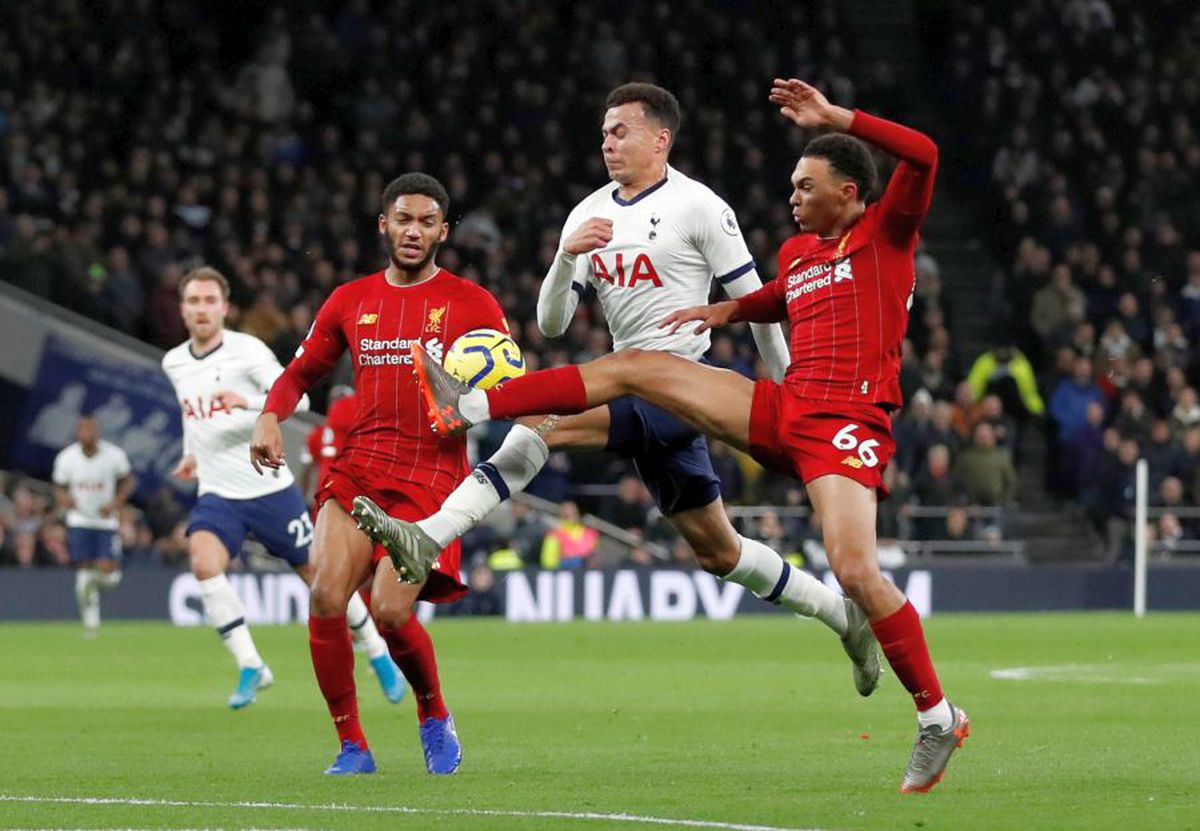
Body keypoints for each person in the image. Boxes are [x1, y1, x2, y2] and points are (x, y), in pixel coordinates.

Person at [408, 79, 969, 793]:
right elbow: (779, 298)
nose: (792, 197)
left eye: (807, 185)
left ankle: (936, 716)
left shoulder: (888, 234)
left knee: (855, 569)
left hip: (847, 425)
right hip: (783, 406)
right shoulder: (799, 254)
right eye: (792, 185)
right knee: (637, 367)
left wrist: (837, 116)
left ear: (852, 191)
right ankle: (474, 402)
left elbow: (924, 154)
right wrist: (723, 312)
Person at [351, 83, 880, 698]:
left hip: (680, 387)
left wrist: (791, 396)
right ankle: (842, 616)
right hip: (627, 382)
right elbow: (550, 324)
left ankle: (430, 533)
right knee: (720, 553)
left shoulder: (701, 207)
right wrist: (562, 256)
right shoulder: (587, 214)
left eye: (620, 131)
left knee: (541, 424)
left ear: (661, 139)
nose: (607, 142)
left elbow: (757, 307)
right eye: (603, 133)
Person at [250, 173, 513, 776]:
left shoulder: (473, 303)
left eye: (426, 222)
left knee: (392, 613)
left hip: (430, 477)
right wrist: (269, 416)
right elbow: (299, 373)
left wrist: (480, 404)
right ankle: (352, 746)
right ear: (383, 225)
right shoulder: (349, 300)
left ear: (444, 231)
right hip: (360, 469)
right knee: (324, 595)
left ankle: (433, 714)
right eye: (403, 219)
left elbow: (504, 384)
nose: (413, 231)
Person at [163, 266, 403, 710]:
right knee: (203, 561)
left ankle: (375, 650)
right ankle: (252, 664)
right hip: (217, 492)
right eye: (193, 301)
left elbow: (302, 398)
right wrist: (190, 451)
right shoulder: (173, 361)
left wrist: (250, 403)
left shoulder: (246, 351)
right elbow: (188, 412)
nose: (201, 309)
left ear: (225, 308)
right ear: (182, 309)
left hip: (268, 488)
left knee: (321, 581)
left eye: (209, 301)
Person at [52, 416, 135, 634]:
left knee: (109, 574)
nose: (87, 434)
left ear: (98, 432)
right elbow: (59, 486)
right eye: (83, 430)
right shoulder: (66, 458)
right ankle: (91, 622)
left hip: (105, 522)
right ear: (77, 433)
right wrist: (64, 499)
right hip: (79, 520)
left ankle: (97, 584)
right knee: (84, 569)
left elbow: (128, 480)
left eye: (91, 430)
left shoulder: (114, 456)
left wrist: (116, 503)